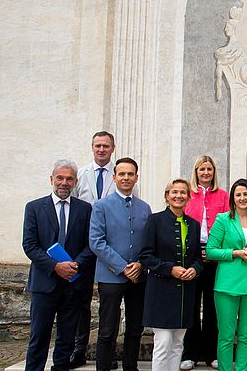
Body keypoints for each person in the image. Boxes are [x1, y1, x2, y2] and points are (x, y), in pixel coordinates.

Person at [22, 159, 94, 371]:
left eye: (69, 179)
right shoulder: (34, 207)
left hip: (73, 285)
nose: (64, 182)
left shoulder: (85, 209)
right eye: (60, 178)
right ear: (51, 179)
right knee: (39, 337)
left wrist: (76, 265)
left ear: (75, 182)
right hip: (44, 284)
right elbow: (30, 245)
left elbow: (90, 245)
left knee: (66, 339)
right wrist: (55, 266)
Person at [89, 157, 151, 371]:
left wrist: (140, 264)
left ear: (136, 177)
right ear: (114, 177)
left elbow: (148, 243)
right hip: (110, 276)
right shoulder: (101, 206)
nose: (126, 178)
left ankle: (130, 367)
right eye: (122, 174)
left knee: (135, 328)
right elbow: (96, 241)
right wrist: (123, 267)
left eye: (130, 174)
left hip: (138, 277)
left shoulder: (145, 208)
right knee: (107, 329)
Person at [206, 179, 247, 371]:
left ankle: (242, 369)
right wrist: (235, 253)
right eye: (238, 195)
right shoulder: (222, 219)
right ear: (232, 198)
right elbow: (211, 250)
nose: (242, 198)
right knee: (226, 335)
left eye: (246, 194)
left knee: (246, 335)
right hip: (227, 284)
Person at [69, 130, 122, 369]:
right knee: (80, 300)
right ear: (92, 148)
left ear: (113, 148)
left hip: (111, 248)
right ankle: (78, 349)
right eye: (98, 146)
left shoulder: (120, 175)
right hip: (85, 246)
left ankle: (107, 353)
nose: (102, 150)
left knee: (109, 304)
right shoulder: (81, 175)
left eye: (106, 146)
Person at [139, 179, 203, 371]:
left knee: (178, 344)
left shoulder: (193, 224)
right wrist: (170, 269)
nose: (179, 196)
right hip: (161, 292)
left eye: (183, 192)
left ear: (188, 197)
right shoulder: (155, 221)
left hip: (185, 293)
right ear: (167, 196)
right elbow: (145, 256)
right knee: (163, 343)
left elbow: (198, 258)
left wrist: (195, 269)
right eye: (174, 192)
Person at [180, 155, 230, 370]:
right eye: (202, 169)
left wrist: (214, 251)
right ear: (196, 171)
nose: (206, 173)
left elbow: (228, 226)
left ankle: (211, 353)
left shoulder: (223, 196)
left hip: (215, 258)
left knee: (212, 307)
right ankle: (190, 353)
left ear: (214, 172)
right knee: (191, 306)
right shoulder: (187, 195)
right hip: (192, 258)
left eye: (209, 169)